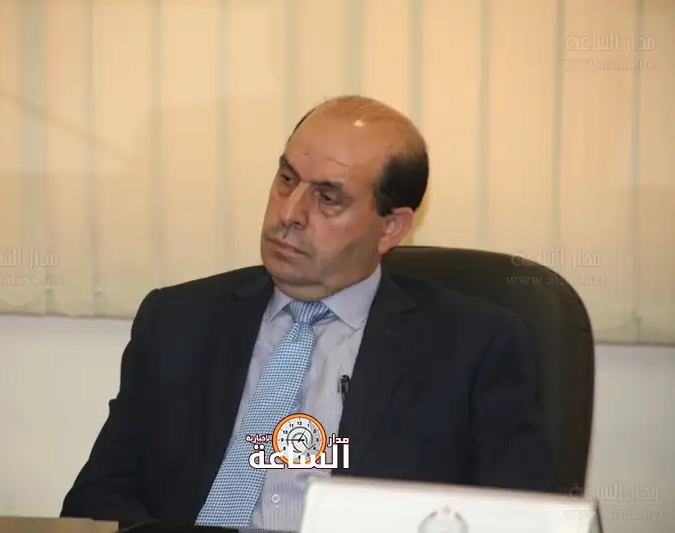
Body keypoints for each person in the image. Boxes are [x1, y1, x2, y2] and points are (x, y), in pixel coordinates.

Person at [60, 95, 556, 532]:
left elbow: (521, 521)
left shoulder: (473, 346)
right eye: (286, 180)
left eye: (327, 197)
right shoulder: (177, 321)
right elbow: (96, 500)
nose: (289, 214)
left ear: (391, 228)